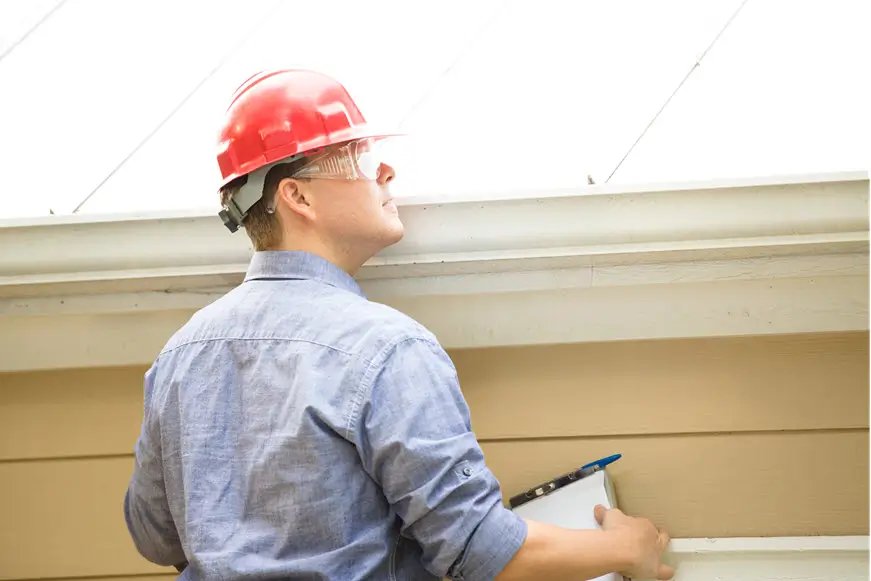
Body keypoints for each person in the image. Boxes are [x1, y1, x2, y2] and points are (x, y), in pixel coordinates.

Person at [124, 69, 674, 580]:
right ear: (297, 196)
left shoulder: (179, 356)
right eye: (358, 156)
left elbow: (154, 537)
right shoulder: (384, 348)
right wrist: (629, 547)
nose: (385, 171)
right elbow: (477, 549)